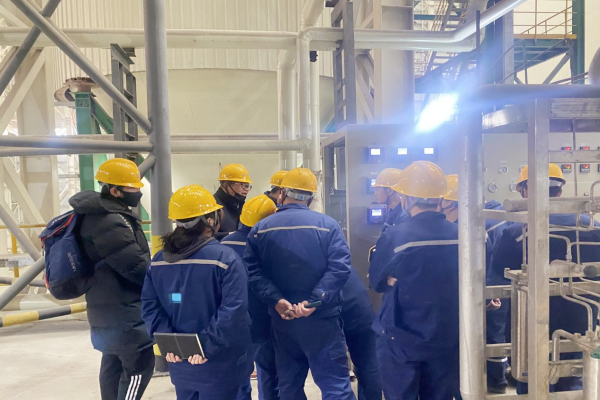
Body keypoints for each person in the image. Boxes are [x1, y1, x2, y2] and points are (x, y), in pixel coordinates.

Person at [244, 167, 356, 400]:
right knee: (335, 386)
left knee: (289, 386)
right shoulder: (328, 225)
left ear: (282, 193)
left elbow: (253, 272)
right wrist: (314, 301)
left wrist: (277, 301)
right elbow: (340, 267)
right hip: (322, 319)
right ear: (311, 198)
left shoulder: (260, 229)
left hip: (283, 321)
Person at [489, 163, 600, 394]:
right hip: (582, 314)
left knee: (530, 377)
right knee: (575, 372)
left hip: (530, 316)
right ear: (560, 191)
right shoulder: (592, 227)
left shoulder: (515, 231)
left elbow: (499, 271)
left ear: (524, 191)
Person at [141, 185, 253, 400]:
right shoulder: (225, 258)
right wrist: (205, 347)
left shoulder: (158, 261)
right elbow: (234, 311)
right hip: (220, 363)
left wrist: (170, 345)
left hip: (180, 362)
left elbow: (150, 307)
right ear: (210, 220)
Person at [369, 161, 460, 400]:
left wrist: (391, 279)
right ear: (440, 199)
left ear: (406, 199)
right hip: (447, 335)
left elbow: (377, 280)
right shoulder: (462, 235)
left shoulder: (396, 236)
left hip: (402, 336)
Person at [68, 158, 154, 400]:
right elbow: (135, 267)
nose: (137, 191)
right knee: (139, 367)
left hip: (107, 308)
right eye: (132, 187)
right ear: (114, 191)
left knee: (113, 366)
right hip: (124, 310)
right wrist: (162, 280)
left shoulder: (97, 215)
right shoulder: (109, 221)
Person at [439, 174, 508, 394]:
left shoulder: (464, 231)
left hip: (472, 296)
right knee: (491, 335)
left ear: (450, 202)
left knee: (482, 337)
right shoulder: (480, 225)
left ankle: (489, 381)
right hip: (489, 290)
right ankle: (494, 380)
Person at [222, 195, 280, 400]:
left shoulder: (224, 245)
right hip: (264, 316)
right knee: (268, 371)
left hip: (232, 319)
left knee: (238, 372)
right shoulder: (269, 244)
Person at [341, 270, 383, 400]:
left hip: (329, 309)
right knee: (369, 366)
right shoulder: (341, 260)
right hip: (359, 304)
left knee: (334, 374)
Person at [214, 164, 253, 241]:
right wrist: (228, 235)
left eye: (247, 186)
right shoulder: (212, 205)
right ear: (226, 184)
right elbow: (200, 237)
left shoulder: (240, 205)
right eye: (242, 185)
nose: (246, 189)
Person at [372, 168, 409, 232]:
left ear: (390, 191)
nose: (375, 194)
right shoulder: (392, 212)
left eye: (377, 190)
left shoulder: (405, 217)